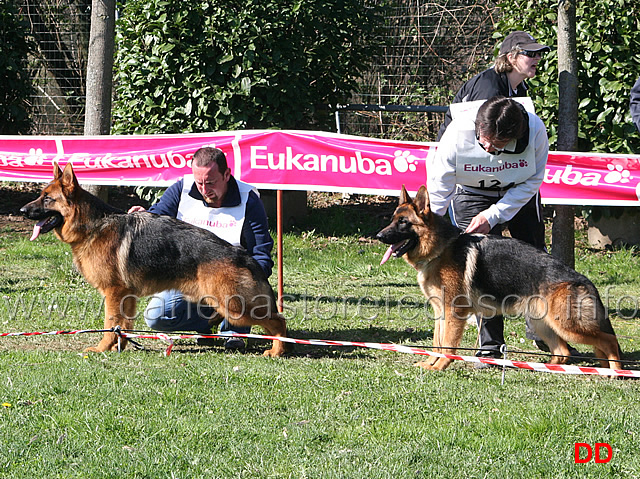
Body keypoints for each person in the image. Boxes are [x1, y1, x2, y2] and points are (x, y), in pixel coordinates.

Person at [428, 96, 550, 362]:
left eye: (496, 144)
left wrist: (494, 214)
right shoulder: (457, 133)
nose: (486, 146)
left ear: (515, 135)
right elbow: (440, 186)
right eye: (483, 138)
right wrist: (430, 229)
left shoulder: (537, 132)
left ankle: (546, 335)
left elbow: (533, 182)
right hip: (471, 191)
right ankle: (491, 346)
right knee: (478, 266)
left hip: (518, 191)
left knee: (536, 259)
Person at [128, 147, 274, 351]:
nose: (205, 190)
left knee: (235, 314)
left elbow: (261, 255)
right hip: (189, 281)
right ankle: (208, 322)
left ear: (227, 174)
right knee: (156, 318)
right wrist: (141, 217)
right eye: (200, 183)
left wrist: (250, 290)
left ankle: (233, 328)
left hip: (232, 284)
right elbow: (156, 220)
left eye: (211, 182)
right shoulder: (181, 189)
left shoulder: (248, 200)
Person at [437, 31, 550, 141]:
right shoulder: (489, 86)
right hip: (454, 150)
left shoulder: (519, 87)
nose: (538, 58)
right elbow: (483, 135)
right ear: (511, 58)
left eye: (539, 54)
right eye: (530, 54)